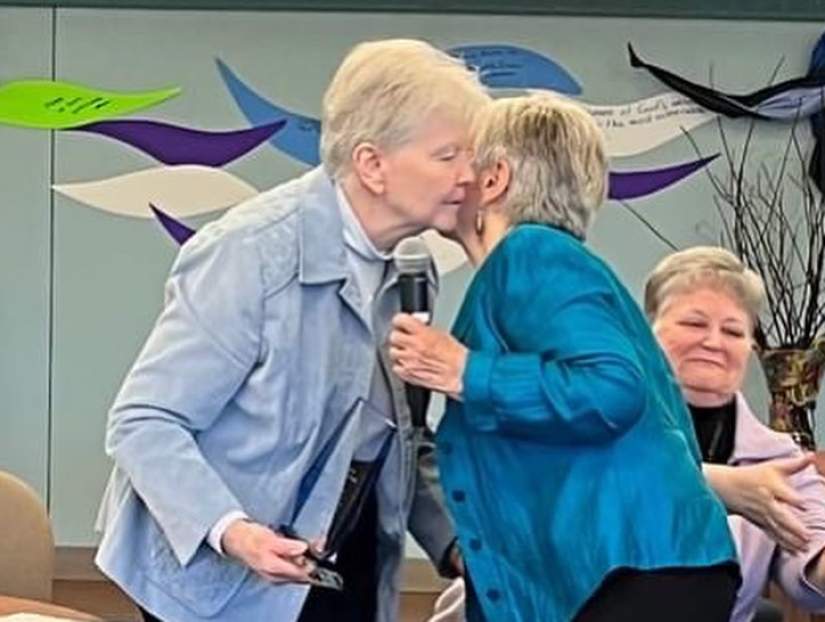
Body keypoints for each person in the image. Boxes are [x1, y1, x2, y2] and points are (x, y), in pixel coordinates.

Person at [93, 38, 489, 622]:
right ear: (371, 164)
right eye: (448, 155)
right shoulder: (250, 253)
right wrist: (233, 532)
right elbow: (144, 422)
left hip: (339, 557)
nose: (470, 175)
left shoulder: (412, 268)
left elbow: (401, 437)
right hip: (220, 574)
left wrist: (456, 543)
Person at [389, 93, 739, 622]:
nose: (452, 177)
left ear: (494, 179)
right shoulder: (543, 266)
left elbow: (612, 389)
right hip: (643, 571)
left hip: (630, 575)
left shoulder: (530, 253)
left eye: (460, 160)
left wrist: (466, 373)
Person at [645, 246, 825, 621]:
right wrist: (717, 484)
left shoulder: (781, 458)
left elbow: (810, 558)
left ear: (750, 349)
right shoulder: (593, 421)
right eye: (694, 324)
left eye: (732, 331)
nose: (713, 342)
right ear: (646, 332)